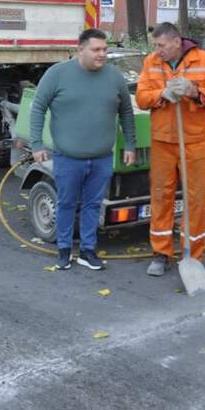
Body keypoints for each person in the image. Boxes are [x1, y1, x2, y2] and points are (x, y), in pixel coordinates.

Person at [30, 28, 136, 271]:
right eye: (96, 50)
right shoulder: (57, 74)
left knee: (92, 204)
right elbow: (38, 108)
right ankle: (64, 250)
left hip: (101, 158)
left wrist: (129, 144)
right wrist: (36, 144)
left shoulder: (114, 77)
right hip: (68, 157)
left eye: (105, 50)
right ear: (80, 49)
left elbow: (126, 112)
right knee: (66, 203)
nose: (102, 54)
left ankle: (87, 251)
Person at [136, 22, 205, 276]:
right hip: (163, 141)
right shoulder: (151, 62)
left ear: (177, 42)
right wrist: (162, 94)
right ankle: (161, 253)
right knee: (161, 197)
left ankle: (193, 255)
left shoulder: (204, 60)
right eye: (155, 45)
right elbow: (142, 98)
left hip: (194, 142)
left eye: (161, 45)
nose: (158, 50)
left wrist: (195, 91)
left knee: (195, 199)